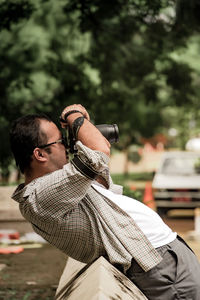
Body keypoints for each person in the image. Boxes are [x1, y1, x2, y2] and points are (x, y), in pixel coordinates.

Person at [10, 104, 200, 300]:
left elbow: (100, 176)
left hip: (163, 258)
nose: (67, 145)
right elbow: (100, 151)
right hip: (160, 266)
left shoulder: (59, 185)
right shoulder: (40, 196)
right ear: (40, 154)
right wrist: (73, 116)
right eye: (60, 141)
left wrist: (83, 132)